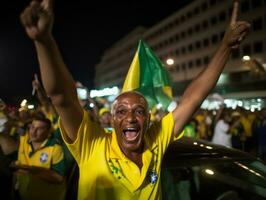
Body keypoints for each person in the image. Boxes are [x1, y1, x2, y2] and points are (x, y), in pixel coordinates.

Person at [20, 0, 250, 199]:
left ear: (148, 118)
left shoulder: (156, 141)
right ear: (111, 118)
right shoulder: (92, 145)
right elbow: (62, 97)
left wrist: (225, 47)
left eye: (139, 111)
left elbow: (193, 97)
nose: (130, 117)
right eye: (121, 111)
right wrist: (44, 41)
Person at [13, 115, 66, 200]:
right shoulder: (24, 138)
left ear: (48, 132)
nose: (33, 132)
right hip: (23, 194)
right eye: (32, 127)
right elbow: (18, 130)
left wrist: (32, 171)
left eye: (40, 129)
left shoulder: (55, 148)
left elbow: (59, 178)